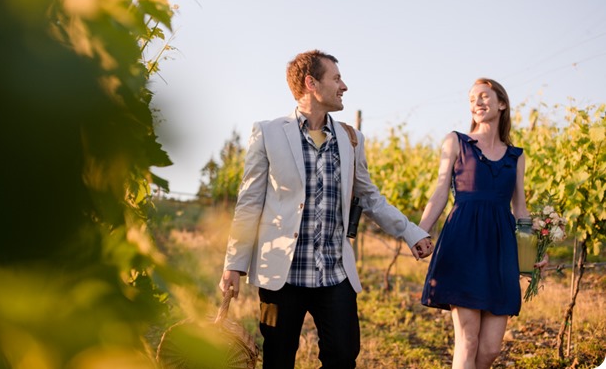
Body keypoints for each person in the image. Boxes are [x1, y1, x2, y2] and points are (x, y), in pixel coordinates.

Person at [218, 49, 433, 369]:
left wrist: (410, 231)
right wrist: (234, 264)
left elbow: (370, 197)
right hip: (282, 273)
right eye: (336, 78)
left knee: (344, 356)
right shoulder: (268, 132)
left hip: (334, 272)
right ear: (311, 83)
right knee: (278, 358)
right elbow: (249, 203)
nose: (343, 86)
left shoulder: (351, 138)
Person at [419, 78, 548, 369]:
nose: (477, 102)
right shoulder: (456, 142)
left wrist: (531, 256)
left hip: (500, 249)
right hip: (462, 243)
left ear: (501, 103)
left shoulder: (516, 156)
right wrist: (418, 231)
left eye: (484, 96)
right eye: (472, 99)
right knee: (468, 340)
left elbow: (520, 208)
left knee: (490, 349)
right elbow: (440, 191)